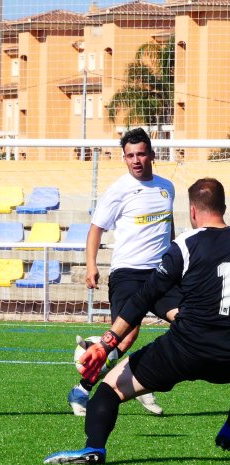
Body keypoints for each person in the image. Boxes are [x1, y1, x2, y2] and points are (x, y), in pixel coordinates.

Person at [46, 178, 230, 465]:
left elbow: (144, 297)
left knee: (109, 389)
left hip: (186, 349)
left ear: (193, 211)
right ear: (224, 207)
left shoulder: (185, 245)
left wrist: (106, 344)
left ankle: (94, 448)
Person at [67, 127, 180, 417]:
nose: (136, 160)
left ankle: (140, 377)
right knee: (125, 337)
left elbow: (168, 228)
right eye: (130, 156)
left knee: (187, 322)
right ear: (124, 158)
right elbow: (96, 229)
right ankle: (82, 390)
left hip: (161, 275)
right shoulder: (119, 190)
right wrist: (91, 265)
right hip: (128, 274)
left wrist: (175, 262)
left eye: (141, 154)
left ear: (152, 154)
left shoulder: (167, 187)